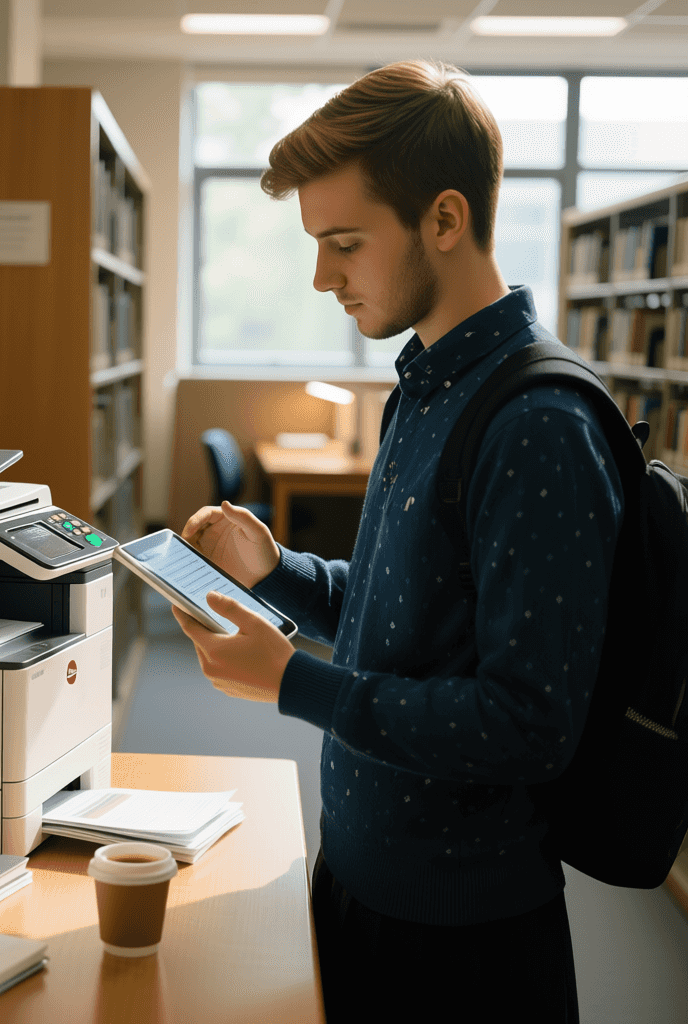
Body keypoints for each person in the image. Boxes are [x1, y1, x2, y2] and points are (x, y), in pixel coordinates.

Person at [173, 60, 623, 1023]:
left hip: (463, 944)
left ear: (445, 221)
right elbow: (402, 616)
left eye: (345, 243)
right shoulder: (422, 385)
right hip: (360, 878)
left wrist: (294, 682)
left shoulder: (538, 423)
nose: (321, 276)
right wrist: (278, 573)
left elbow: (527, 723)